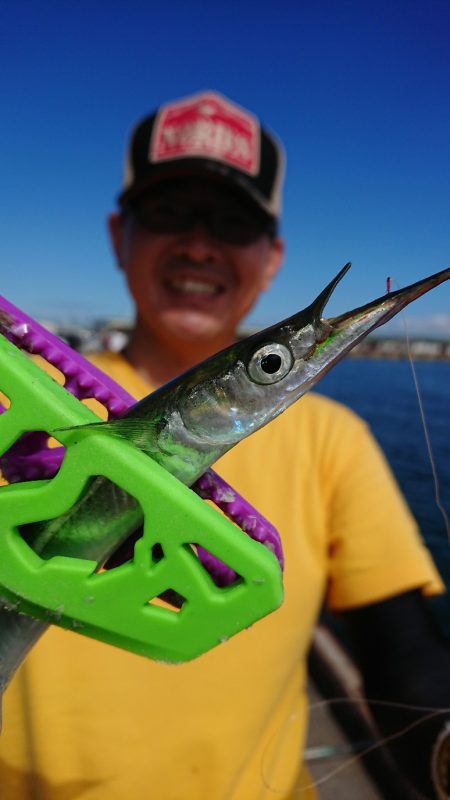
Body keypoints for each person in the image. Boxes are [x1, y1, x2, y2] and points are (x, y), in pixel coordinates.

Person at [1, 90, 449, 799]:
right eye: (168, 211)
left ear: (272, 259)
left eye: (235, 222)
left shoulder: (337, 443)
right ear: (118, 235)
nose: (199, 243)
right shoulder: (21, 409)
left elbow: (403, 650)